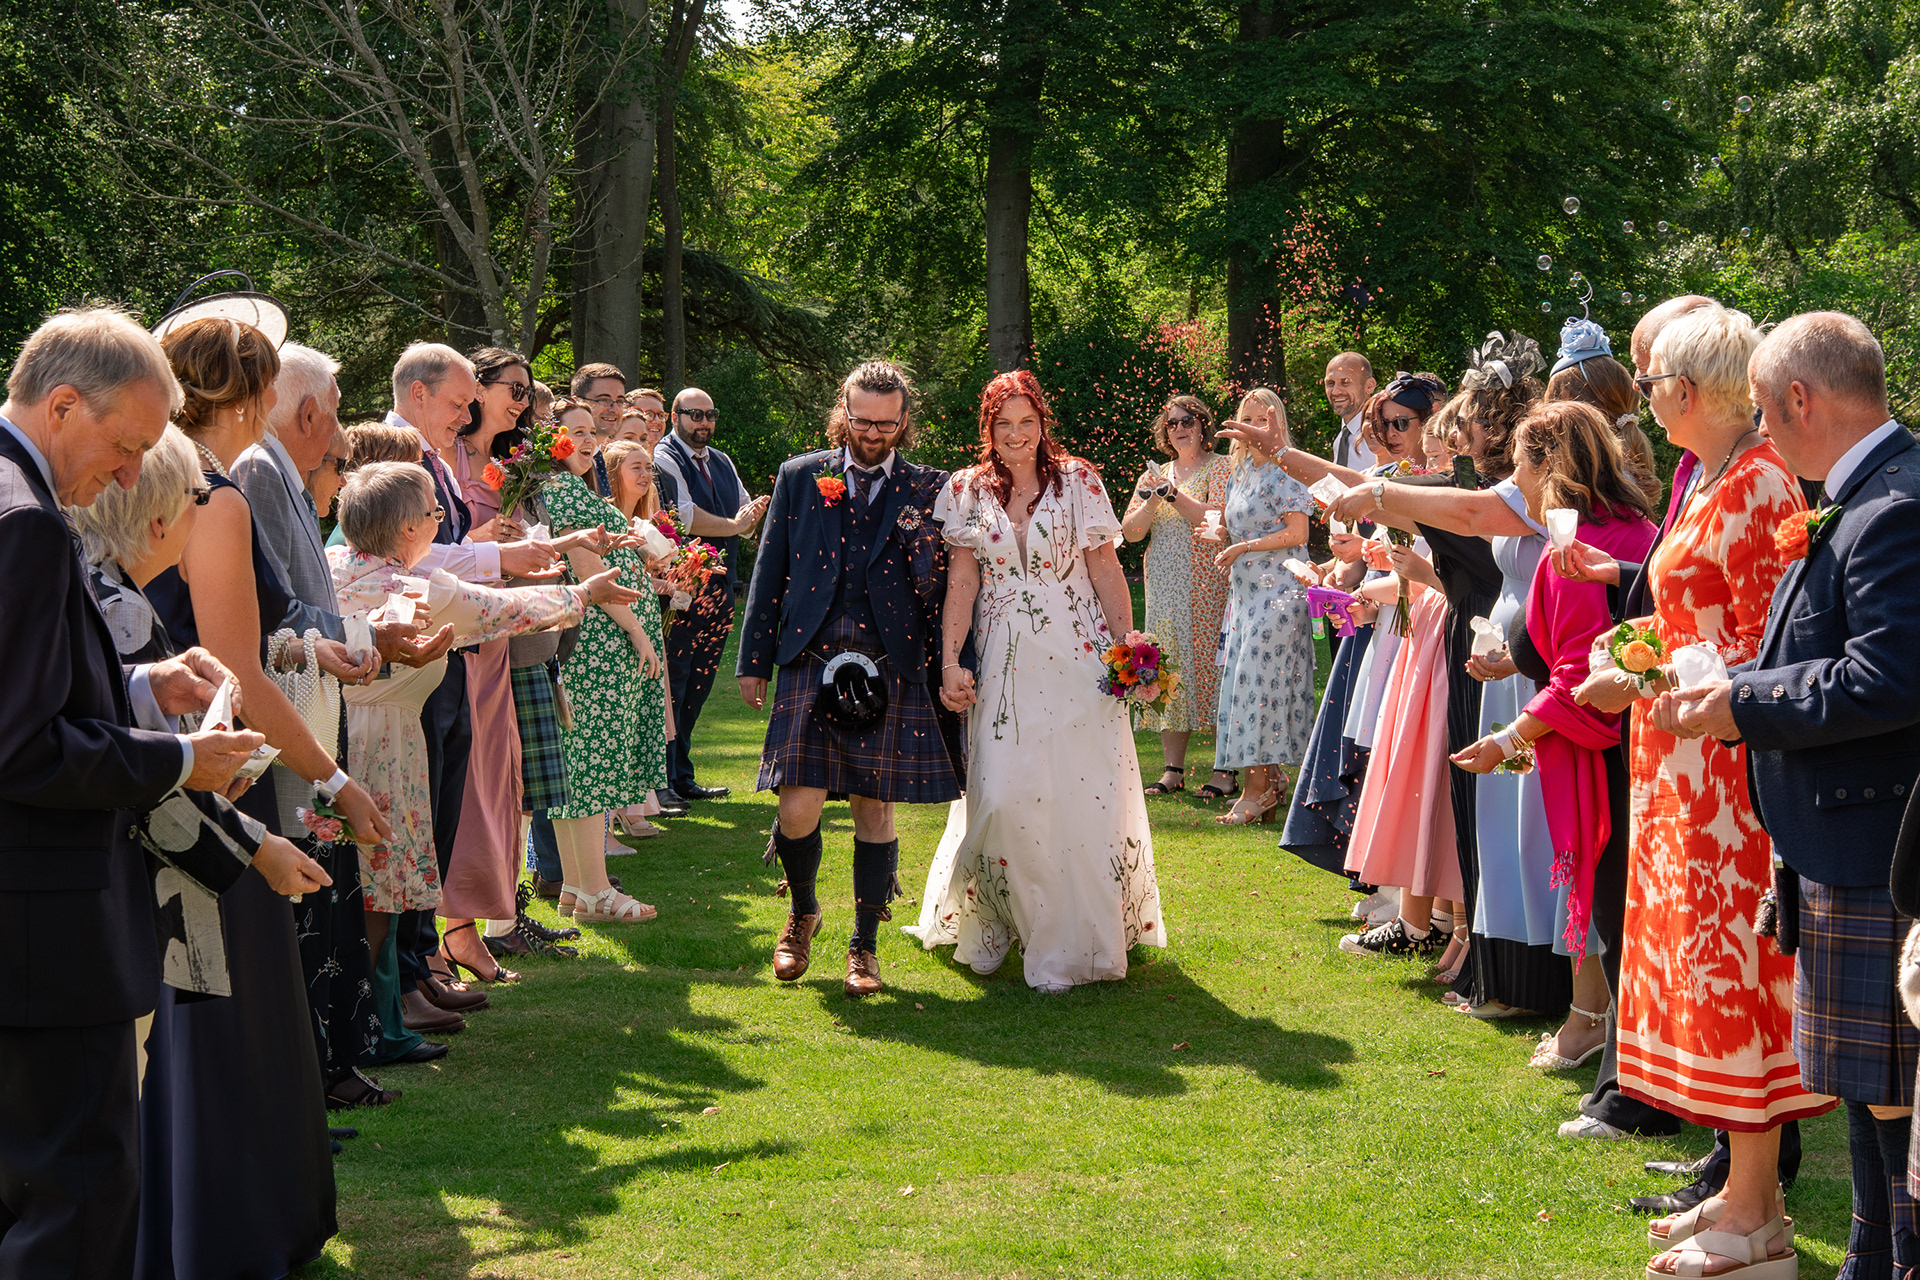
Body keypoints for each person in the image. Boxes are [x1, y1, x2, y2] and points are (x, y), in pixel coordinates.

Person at [0, 306, 322, 1279]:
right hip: (43, 928)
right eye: (128, 444)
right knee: (75, 1196)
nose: (135, 476)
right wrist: (182, 761)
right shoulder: (28, 525)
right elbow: (23, 751)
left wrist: (137, 686)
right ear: (61, 404)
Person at [1631, 312, 1908, 1279]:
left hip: (1868, 828)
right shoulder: (1852, 490)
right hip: (1823, 816)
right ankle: (1866, 1254)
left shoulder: (1890, 500)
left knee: (1887, 1086)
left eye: (1761, 407)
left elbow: (1886, 678)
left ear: (1799, 399)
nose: (1757, 429)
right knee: (1865, 1079)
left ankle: (1877, 1255)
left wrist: (1742, 697)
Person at [140, 314, 398, 1279]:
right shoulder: (212, 496)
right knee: (224, 995)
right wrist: (332, 779)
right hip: (208, 769)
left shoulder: (148, 481)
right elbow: (233, 665)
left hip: (156, 749)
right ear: (250, 400)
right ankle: (226, 1219)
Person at [907, 370, 1164, 991]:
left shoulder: (1078, 481)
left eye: (1027, 422)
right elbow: (962, 582)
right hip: (1002, 661)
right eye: (1004, 424)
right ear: (987, 430)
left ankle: (1070, 939)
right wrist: (950, 660)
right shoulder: (967, 490)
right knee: (999, 796)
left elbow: (1105, 569)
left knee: (1079, 796)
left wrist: (1127, 648)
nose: (1017, 435)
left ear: (1043, 422)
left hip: (1077, 656)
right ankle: (997, 918)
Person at [738, 360, 961, 997]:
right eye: (863, 420)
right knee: (797, 802)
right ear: (844, 410)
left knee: (874, 803)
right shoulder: (801, 476)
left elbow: (951, 582)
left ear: (904, 421)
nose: (873, 433)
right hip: (810, 653)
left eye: (886, 424)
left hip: (891, 658)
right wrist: (754, 660)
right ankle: (801, 911)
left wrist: (949, 660)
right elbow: (770, 570)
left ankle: (864, 944)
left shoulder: (930, 487)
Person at [1448, 401, 1657, 1045]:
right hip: (1631, 739)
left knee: (1611, 896)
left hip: (1597, 748)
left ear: (1551, 468)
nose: (1517, 485)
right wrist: (1515, 660)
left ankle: (1619, 1052)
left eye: (1520, 469)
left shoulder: (1577, 549)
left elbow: (1576, 676)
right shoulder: (1636, 529)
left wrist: (1506, 740)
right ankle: (1603, 1028)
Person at [383, 342, 559, 1029]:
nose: (467, 416)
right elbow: (414, 556)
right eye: (460, 403)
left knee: (448, 801)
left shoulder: (435, 456)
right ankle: (418, 962)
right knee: (424, 807)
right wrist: (498, 552)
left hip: (457, 642)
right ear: (419, 393)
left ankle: (426, 957)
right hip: (416, 649)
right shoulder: (398, 451)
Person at [542, 401, 667, 923]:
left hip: (599, 642)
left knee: (582, 765)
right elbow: (585, 564)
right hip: (598, 645)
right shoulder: (560, 489)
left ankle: (575, 886)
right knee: (592, 763)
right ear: (551, 441)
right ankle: (596, 891)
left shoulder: (571, 487)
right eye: (574, 432)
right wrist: (637, 631)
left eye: (593, 431)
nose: (588, 440)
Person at [655, 385, 768, 802]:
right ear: (675, 416)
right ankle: (662, 781)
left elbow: (743, 515)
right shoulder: (664, 458)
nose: (703, 422)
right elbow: (685, 518)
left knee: (699, 684)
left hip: (721, 590)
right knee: (677, 682)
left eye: (709, 414)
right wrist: (736, 525)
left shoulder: (721, 461)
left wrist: (749, 520)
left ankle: (681, 775)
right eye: (694, 414)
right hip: (682, 590)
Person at [1120, 394, 1234, 800]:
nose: (1180, 427)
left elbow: (1214, 517)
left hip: (1209, 582)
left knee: (1215, 667)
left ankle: (1225, 769)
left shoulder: (1222, 467)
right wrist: (1152, 496)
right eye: (1172, 423)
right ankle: (1173, 770)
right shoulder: (1155, 474)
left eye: (1188, 420)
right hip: (1164, 586)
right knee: (1168, 669)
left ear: (1204, 425)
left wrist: (1172, 494)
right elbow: (1130, 533)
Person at [1211, 389, 1316, 825]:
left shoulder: (1286, 466)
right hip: (1246, 592)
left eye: (1261, 419)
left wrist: (1245, 546)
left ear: (1276, 423)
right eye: (1245, 418)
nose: (1252, 426)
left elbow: (1298, 533)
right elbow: (1238, 528)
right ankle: (1270, 783)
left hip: (1282, 591)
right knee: (1247, 682)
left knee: (1260, 681)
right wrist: (1223, 538)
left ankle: (1256, 789)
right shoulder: (1240, 471)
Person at [601, 438, 673, 840]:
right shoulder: (607, 522)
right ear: (614, 475)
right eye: (636, 468)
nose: (646, 475)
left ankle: (629, 809)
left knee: (637, 726)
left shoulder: (639, 523)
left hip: (643, 632)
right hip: (615, 636)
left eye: (649, 467)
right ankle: (604, 830)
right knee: (615, 728)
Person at [1325, 351, 1379, 470]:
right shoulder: (1341, 440)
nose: (1335, 391)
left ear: (1369, 386)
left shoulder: (1380, 435)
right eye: (1330, 383)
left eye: (1345, 382)